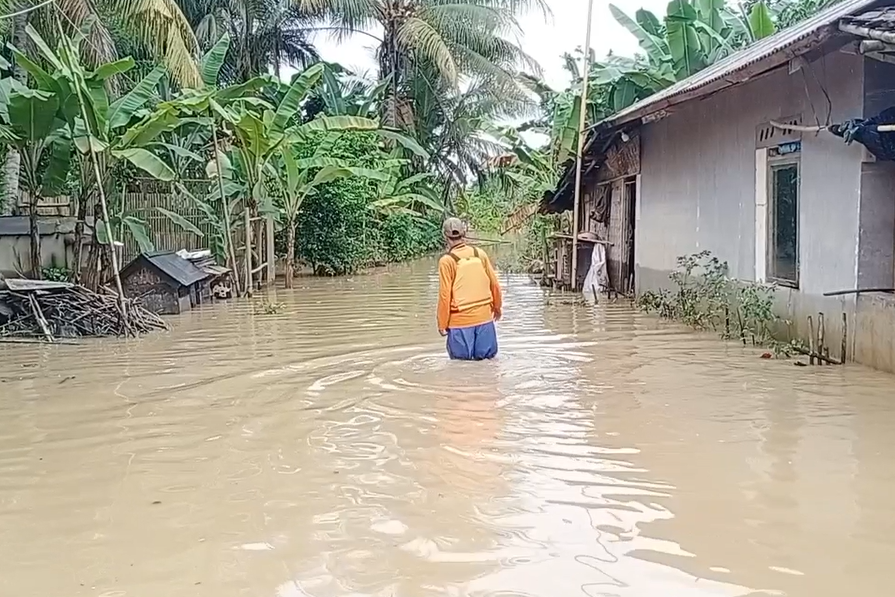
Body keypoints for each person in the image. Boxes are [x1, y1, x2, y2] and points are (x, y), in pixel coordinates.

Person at [436, 217, 502, 360]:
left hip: (460, 323)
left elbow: (444, 296)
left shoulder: (446, 261)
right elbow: (494, 285)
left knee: (460, 366)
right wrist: (497, 308)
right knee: (488, 363)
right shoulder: (480, 254)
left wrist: (442, 323)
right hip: (485, 319)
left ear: (445, 236)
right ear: (464, 233)